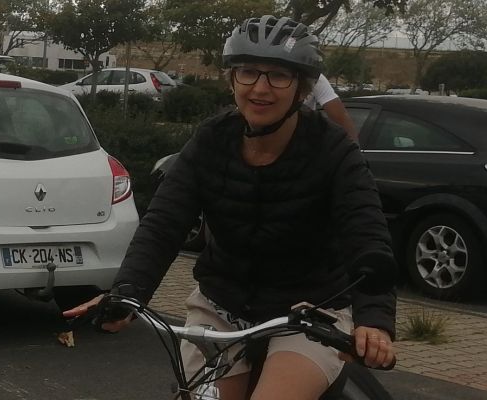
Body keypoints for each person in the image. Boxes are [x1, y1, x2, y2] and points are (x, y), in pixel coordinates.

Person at [64, 15, 397, 400]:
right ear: (232, 79)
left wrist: (374, 319)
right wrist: (126, 293)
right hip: (222, 308)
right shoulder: (211, 139)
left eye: (278, 76)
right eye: (248, 72)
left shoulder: (334, 151)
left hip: (309, 313)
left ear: (301, 89)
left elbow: (367, 234)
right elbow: (164, 223)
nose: (260, 88)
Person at [309, 75, 362, 143]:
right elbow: (341, 117)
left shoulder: (314, 77)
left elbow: (340, 117)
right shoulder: (314, 77)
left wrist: (353, 151)